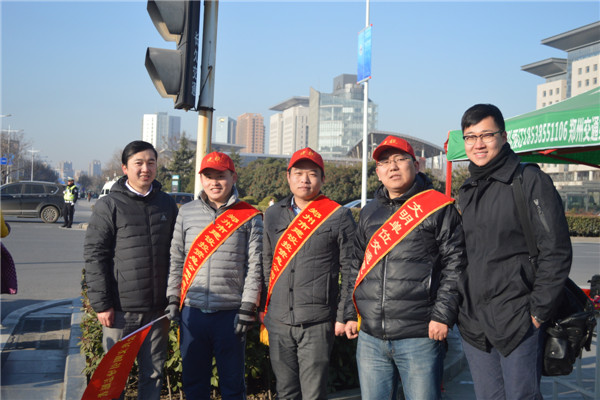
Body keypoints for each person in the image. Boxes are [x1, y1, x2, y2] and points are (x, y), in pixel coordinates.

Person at [456, 104, 572, 399]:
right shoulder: (468, 189)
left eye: (487, 135)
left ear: (504, 136)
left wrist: (538, 312)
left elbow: (556, 250)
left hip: (518, 318)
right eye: (470, 137)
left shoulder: (528, 180)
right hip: (474, 322)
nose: (478, 144)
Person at [343, 136, 467, 400]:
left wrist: (443, 316)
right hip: (371, 337)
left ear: (416, 164)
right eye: (384, 162)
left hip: (419, 334)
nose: (393, 167)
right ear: (378, 172)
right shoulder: (369, 212)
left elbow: (455, 264)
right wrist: (350, 313)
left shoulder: (438, 208)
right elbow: (356, 264)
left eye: (400, 159)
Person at [83, 140, 178, 400]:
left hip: (158, 311)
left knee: (153, 374)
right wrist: (102, 304)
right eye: (139, 163)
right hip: (120, 312)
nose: (145, 168)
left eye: (151, 163)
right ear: (125, 168)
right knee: (114, 378)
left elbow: (176, 254)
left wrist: (173, 298)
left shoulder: (167, 204)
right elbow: (95, 256)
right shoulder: (109, 205)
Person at [260, 147, 356, 400]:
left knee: (314, 394)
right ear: (288, 176)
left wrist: (344, 314)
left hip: (317, 321)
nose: (304, 179)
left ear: (323, 178)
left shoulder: (338, 215)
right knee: (286, 392)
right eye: (298, 173)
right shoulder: (273, 214)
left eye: (312, 174)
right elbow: (266, 263)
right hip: (279, 320)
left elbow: (351, 269)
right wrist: (264, 308)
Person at [166, 151, 263, 400]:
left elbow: (255, 266)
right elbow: (176, 259)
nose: (214, 182)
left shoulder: (249, 215)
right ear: (201, 179)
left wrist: (248, 306)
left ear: (233, 177)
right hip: (192, 312)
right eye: (208, 176)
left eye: (221, 176)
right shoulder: (186, 212)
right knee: (193, 383)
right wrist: (173, 298)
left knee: (232, 384)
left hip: (230, 314)